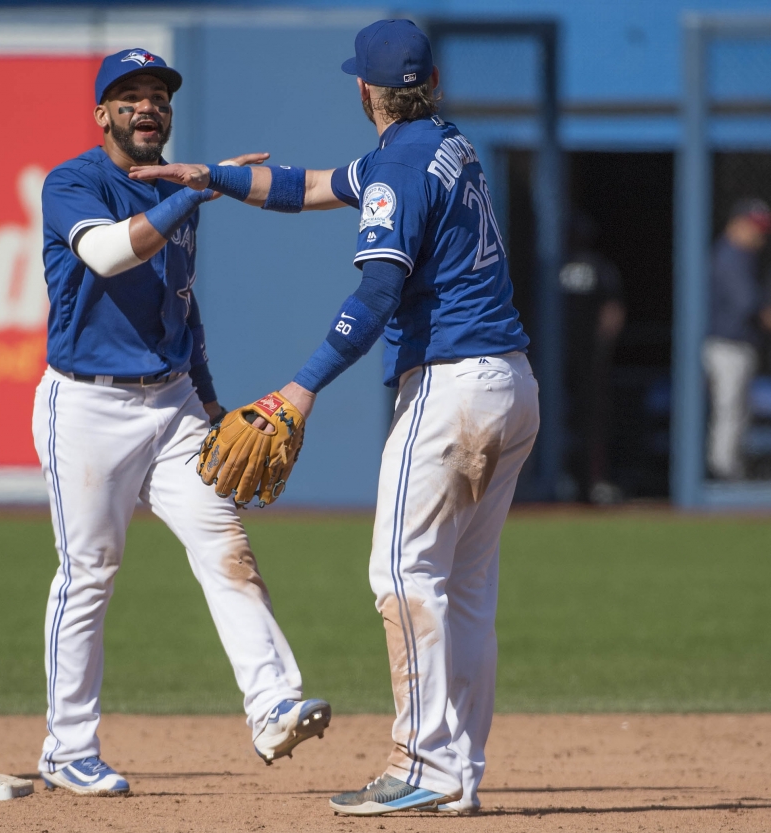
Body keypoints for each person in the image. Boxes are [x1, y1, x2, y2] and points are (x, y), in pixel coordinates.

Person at [132, 19, 539, 817]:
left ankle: (422, 761)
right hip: (510, 383)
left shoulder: (400, 164)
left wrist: (301, 388)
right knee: (466, 588)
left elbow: (380, 290)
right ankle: (457, 768)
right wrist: (212, 177)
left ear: (363, 90)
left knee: (399, 573)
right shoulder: (443, 144)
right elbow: (312, 184)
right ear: (431, 88)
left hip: (450, 387)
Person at [32, 47, 330, 797]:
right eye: (128, 97)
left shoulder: (179, 189)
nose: (146, 108)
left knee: (224, 543)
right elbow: (105, 253)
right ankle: (67, 746)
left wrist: (206, 398)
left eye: (157, 96)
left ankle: (271, 706)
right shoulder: (74, 182)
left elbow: (182, 306)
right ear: (101, 114)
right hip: (87, 405)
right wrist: (192, 194)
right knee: (89, 572)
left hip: (168, 404)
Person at [559, 211, 625, 503]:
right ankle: (573, 481)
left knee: (585, 421)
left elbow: (612, 311)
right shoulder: (557, 263)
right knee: (577, 419)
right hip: (571, 356)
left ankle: (587, 482)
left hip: (568, 356)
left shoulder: (556, 264)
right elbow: (613, 313)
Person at [703, 198, 771, 480]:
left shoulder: (743, 257)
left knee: (736, 412)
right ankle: (722, 472)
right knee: (729, 410)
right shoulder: (730, 255)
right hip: (725, 345)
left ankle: (727, 468)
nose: (760, 235)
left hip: (735, 345)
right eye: (754, 227)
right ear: (737, 224)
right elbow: (749, 304)